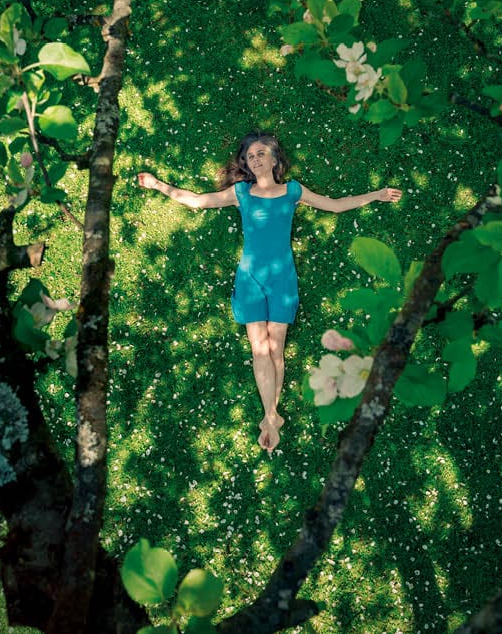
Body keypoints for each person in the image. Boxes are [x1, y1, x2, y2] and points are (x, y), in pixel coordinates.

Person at [137, 131, 403, 454]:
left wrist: (375, 195)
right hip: (250, 280)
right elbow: (196, 200)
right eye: (250, 156)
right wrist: (158, 185)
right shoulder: (240, 193)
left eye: (261, 153)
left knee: (275, 351)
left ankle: (271, 417)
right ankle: (271, 416)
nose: (255, 159)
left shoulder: (293, 191)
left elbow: (333, 206)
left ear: (275, 160)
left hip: (282, 280)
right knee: (260, 350)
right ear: (247, 166)